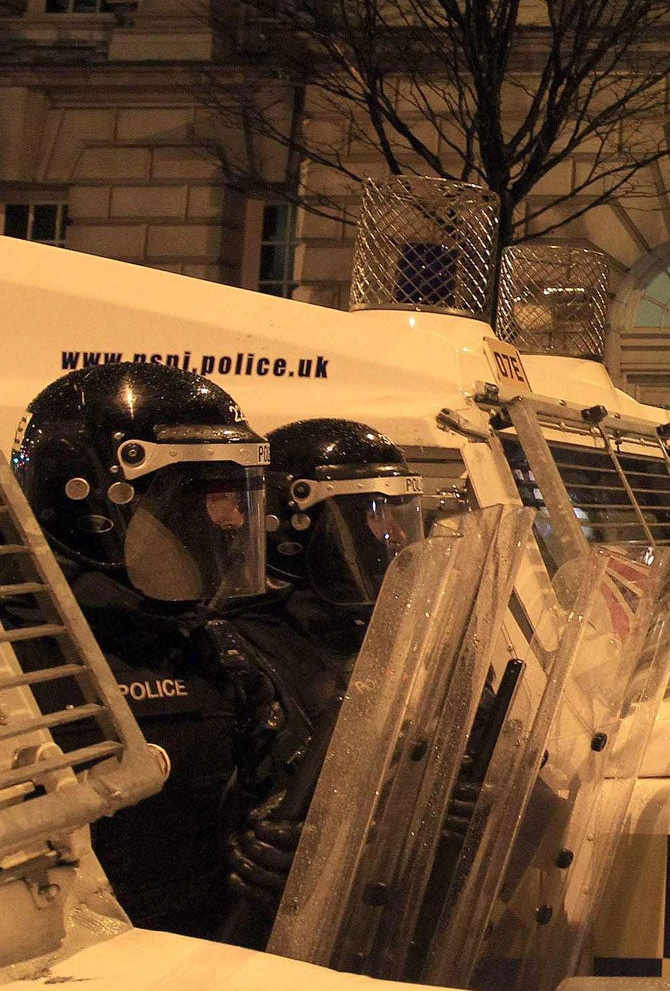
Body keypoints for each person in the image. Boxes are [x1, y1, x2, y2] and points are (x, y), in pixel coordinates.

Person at [16, 361, 271, 939]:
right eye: (208, 497)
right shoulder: (15, 652)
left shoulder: (205, 642)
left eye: (236, 497)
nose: (232, 520)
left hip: (203, 969)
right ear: (97, 504)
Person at [220, 417, 425, 937]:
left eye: (399, 513)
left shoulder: (399, 637)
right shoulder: (236, 645)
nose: (397, 535)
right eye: (374, 515)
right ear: (294, 527)